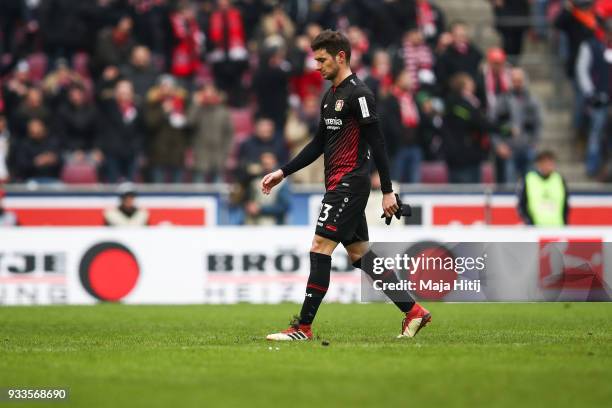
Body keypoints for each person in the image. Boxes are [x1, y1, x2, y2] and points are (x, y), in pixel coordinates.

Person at [262, 30, 430, 341]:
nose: (317, 66)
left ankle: (303, 327)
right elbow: (317, 145)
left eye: (322, 59)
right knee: (360, 255)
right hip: (339, 185)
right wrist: (282, 172)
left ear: (341, 56)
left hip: (349, 185)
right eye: (315, 60)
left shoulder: (360, 94)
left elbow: (377, 143)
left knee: (319, 247)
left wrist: (389, 190)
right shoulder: (330, 97)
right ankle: (413, 311)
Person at [517, 151, 569, 226]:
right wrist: (529, 222)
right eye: (545, 163)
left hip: (557, 227)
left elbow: (565, 205)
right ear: (538, 164)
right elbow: (522, 204)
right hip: (535, 228)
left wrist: (564, 223)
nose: (547, 166)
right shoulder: (529, 179)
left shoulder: (559, 179)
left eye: (550, 163)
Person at [244, 152, 290, 225]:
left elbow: (284, 207)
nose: (266, 167)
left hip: (276, 225)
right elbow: (249, 202)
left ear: (275, 163)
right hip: (257, 224)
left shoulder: (282, 183)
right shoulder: (255, 181)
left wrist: (261, 209)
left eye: (268, 164)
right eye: (264, 164)